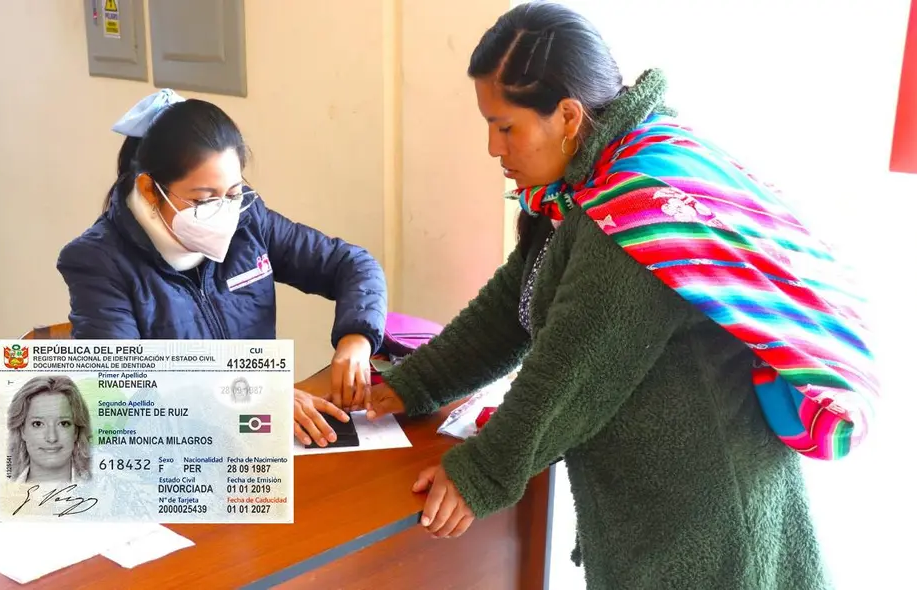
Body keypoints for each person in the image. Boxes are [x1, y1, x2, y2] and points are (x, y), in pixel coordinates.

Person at [364, 2, 878, 589]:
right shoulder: (594, 179)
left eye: (506, 127)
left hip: (708, 525)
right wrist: (411, 385)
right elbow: (515, 303)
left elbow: (574, 366)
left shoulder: (636, 211)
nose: (493, 148)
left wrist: (480, 473)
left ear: (566, 115)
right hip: (671, 508)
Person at [57, 90, 387, 448]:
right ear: (150, 190)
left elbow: (352, 264)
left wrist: (357, 338)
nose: (224, 212)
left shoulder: (248, 220)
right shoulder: (98, 262)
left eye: (232, 192)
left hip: (257, 435)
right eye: (203, 199)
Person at [7, 375, 92, 484]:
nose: (52, 438)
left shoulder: (102, 489)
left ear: (76, 431)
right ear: (22, 431)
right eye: (38, 424)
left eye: (63, 423)